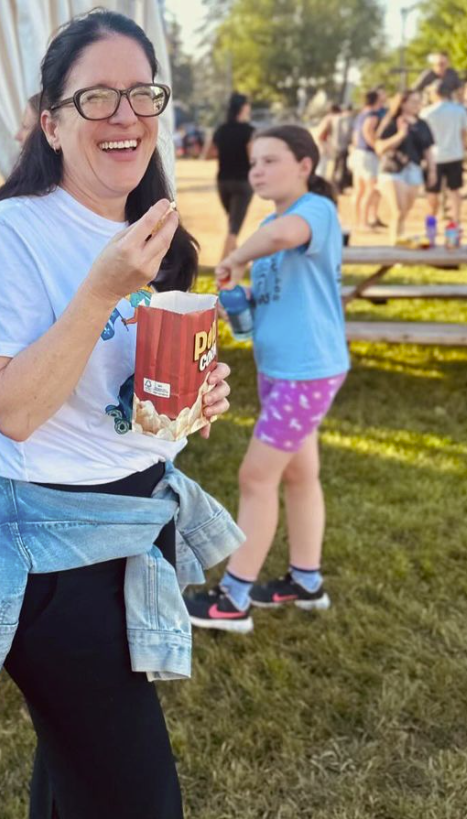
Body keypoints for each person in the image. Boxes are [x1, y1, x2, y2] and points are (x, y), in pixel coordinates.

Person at [0, 10, 239, 819]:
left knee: (77, 775)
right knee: (136, 798)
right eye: (97, 98)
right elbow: (14, 411)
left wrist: (195, 397)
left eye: (142, 94)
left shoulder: (156, 231)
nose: (126, 116)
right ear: (51, 121)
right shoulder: (10, 230)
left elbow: (131, 393)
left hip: (137, 527)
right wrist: (101, 289)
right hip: (48, 557)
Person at [184, 125, 349, 633]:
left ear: (305, 165)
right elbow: (276, 293)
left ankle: (233, 600)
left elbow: (281, 237)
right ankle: (305, 582)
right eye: (254, 162)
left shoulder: (313, 212)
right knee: (298, 475)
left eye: (270, 160)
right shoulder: (271, 222)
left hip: (307, 373)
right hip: (283, 371)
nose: (257, 170)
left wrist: (234, 256)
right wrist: (242, 301)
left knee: (255, 477)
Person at [375, 91, 436, 245]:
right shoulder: (391, 121)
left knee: (405, 212)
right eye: (413, 101)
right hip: (393, 168)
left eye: (418, 101)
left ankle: (399, 242)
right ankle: (395, 246)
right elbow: (380, 147)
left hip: (414, 169)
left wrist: (432, 170)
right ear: (403, 103)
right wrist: (401, 135)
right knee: (398, 211)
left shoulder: (422, 124)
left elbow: (428, 149)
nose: (417, 105)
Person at [203, 91, 255, 259]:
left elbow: (208, 155)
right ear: (243, 108)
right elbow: (252, 158)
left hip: (223, 182)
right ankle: (223, 267)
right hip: (242, 182)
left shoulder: (221, 130)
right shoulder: (249, 131)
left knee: (233, 222)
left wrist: (227, 151)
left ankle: (235, 257)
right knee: (234, 229)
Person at [423, 76, 467, 228]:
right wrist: (463, 149)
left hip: (434, 156)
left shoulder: (427, 112)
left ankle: (432, 219)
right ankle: (456, 220)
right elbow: (465, 133)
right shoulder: (459, 110)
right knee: (454, 189)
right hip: (455, 154)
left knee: (433, 191)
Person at [350, 88, 387, 231]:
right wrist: (377, 148)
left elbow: (355, 135)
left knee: (359, 190)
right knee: (371, 189)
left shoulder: (362, 113)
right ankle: (364, 222)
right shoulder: (373, 115)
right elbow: (368, 132)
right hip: (369, 155)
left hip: (359, 153)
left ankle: (361, 220)